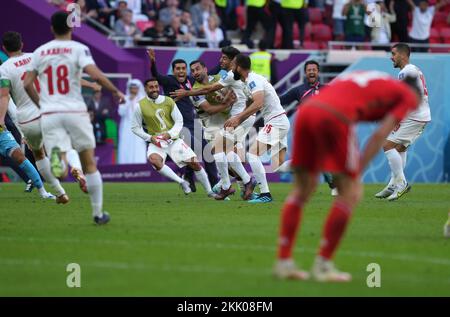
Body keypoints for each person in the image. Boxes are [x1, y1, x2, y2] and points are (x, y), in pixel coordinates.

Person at [273, 71, 420, 282]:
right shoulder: (407, 96)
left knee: (303, 189)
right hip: (336, 117)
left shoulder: (373, 77)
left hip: (307, 112)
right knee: (350, 193)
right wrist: (357, 171)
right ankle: (323, 265)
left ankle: (284, 262)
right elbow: (380, 135)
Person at [24, 11, 125, 225]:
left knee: (58, 160)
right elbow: (95, 74)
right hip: (76, 112)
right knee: (89, 164)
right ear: (71, 27)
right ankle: (98, 214)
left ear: (52, 28)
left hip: (50, 113)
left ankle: (58, 164)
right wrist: (115, 91)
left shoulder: (40, 52)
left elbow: (27, 83)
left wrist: (41, 105)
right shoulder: (79, 49)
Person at [170, 47, 258, 201]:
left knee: (233, 156)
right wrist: (227, 103)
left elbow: (235, 92)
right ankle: (235, 186)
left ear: (205, 69)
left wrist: (236, 102)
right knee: (223, 155)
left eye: (198, 69)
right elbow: (209, 110)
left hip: (229, 120)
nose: (195, 72)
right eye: (193, 71)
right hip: (211, 126)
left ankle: (237, 186)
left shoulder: (219, 78)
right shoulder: (196, 91)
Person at [0, 31, 77, 200]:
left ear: (4, 49)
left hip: (28, 120)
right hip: (48, 110)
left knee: (39, 154)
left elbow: (4, 96)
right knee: (59, 143)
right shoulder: (36, 56)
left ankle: (60, 192)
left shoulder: (4, 69)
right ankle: (64, 163)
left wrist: (0, 120)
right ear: (22, 44)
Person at [147, 48, 219, 191]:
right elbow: (156, 75)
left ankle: (216, 186)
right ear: (173, 71)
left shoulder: (190, 81)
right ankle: (190, 176)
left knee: (208, 153)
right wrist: (153, 62)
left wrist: (222, 63)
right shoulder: (169, 81)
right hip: (179, 126)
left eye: (183, 68)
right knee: (195, 149)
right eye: (178, 69)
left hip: (193, 123)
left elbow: (209, 72)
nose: (181, 71)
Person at [131, 78, 216, 197]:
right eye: (151, 87)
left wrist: (169, 134)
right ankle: (181, 182)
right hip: (156, 142)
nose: (154, 89)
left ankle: (210, 192)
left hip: (173, 140)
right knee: (154, 160)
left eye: (156, 86)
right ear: (145, 89)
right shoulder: (139, 106)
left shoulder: (168, 101)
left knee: (195, 163)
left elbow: (179, 121)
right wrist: (150, 138)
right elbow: (135, 128)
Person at [224, 54, 290, 203]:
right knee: (278, 166)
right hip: (279, 120)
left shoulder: (253, 80)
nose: (232, 68)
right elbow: (253, 106)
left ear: (239, 67)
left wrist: (238, 118)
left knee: (252, 155)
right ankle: (314, 165)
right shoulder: (250, 81)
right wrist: (238, 119)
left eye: (233, 65)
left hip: (276, 121)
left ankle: (265, 194)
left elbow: (258, 103)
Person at [375, 43, 431, 201]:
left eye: (393, 54)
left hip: (414, 116)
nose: (391, 57)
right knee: (400, 147)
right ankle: (394, 184)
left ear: (403, 55)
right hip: (418, 115)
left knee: (387, 145)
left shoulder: (406, 72)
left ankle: (401, 184)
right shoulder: (413, 69)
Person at [279, 60, 337, 196]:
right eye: (309, 70)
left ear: (318, 72)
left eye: (314, 70)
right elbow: (280, 100)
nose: (311, 72)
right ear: (305, 72)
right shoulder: (298, 90)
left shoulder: (327, 89)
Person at [0, 84, 55, 200]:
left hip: (1, 133)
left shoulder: (4, 93)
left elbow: (14, 115)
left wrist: (24, 135)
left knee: (20, 156)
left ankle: (43, 192)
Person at [118, 79, 147, 164]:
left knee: (138, 146)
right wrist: (128, 101)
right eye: (131, 88)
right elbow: (120, 112)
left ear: (138, 89)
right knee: (126, 145)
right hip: (126, 126)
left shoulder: (144, 100)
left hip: (138, 126)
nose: (133, 90)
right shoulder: (123, 98)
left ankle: (139, 164)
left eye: (135, 88)